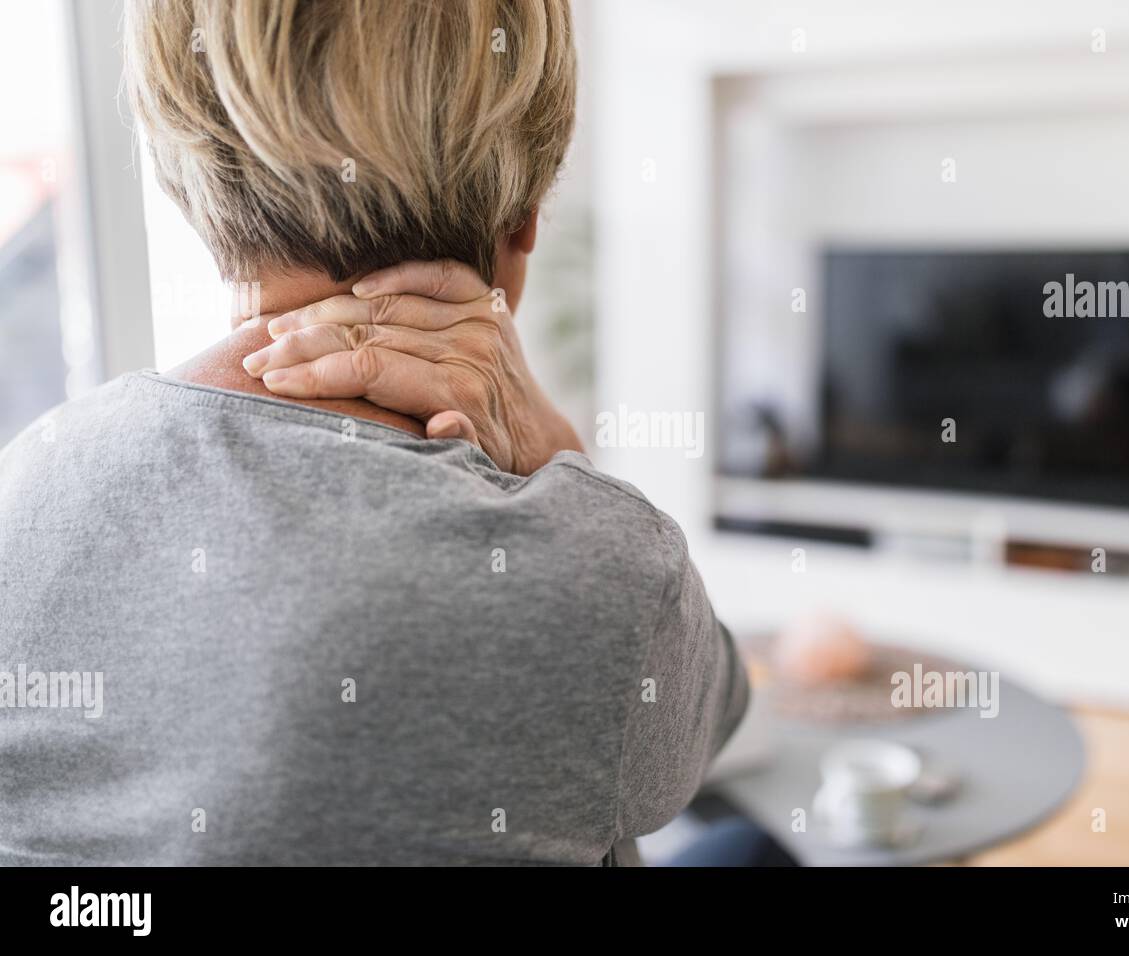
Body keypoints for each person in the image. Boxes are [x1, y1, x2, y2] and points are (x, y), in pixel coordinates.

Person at [0, 0, 746, 866]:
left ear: (187, 186)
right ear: (526, 216)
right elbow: (716, 717)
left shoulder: (21, 496)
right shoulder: (603, 568)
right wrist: (558, 449)